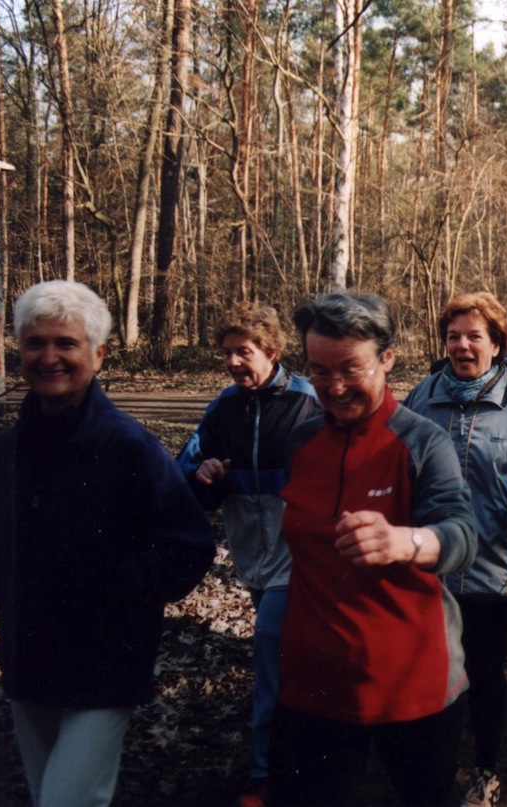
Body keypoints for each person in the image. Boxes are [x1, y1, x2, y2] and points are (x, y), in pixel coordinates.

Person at [0, 280, 215, 807]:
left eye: (65, 343)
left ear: (98, 353)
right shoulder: (2, 453)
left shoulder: (129, 447)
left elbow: (188, 544)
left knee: (68, 799)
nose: (49, 357)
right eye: (35, 343)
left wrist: (111, 588)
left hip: (104, 661)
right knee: (46, 793)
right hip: (28, 657)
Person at [269, 291, 478, 807]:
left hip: (410, 680)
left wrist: (405, 541)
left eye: (350, 369)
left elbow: (462, 534)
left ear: (387, 359)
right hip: (314, 680)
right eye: (319, 371)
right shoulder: (300, 442)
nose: (335, 387)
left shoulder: (422, 442)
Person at [404, 291, 507, 807]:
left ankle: (485, 768)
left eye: (474, 336)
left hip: (497, 566)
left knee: (483, 668)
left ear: (496, 345)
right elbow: (393, 460)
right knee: (434, 667)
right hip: (432, 564)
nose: (462, 345)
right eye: (454, 336)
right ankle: (433, 763)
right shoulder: (421, 397)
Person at [177, 303, 320, 807]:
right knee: (289, 658)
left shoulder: (308, 403)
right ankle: (315, 747)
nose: (234, 362)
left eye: (244, 351)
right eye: (227, 353)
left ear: (272, 351)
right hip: (251, 559)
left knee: (269, 654)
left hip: (296, 558)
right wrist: (203, 475)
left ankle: (266, 774)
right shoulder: (223, 408)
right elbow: (183, 472)